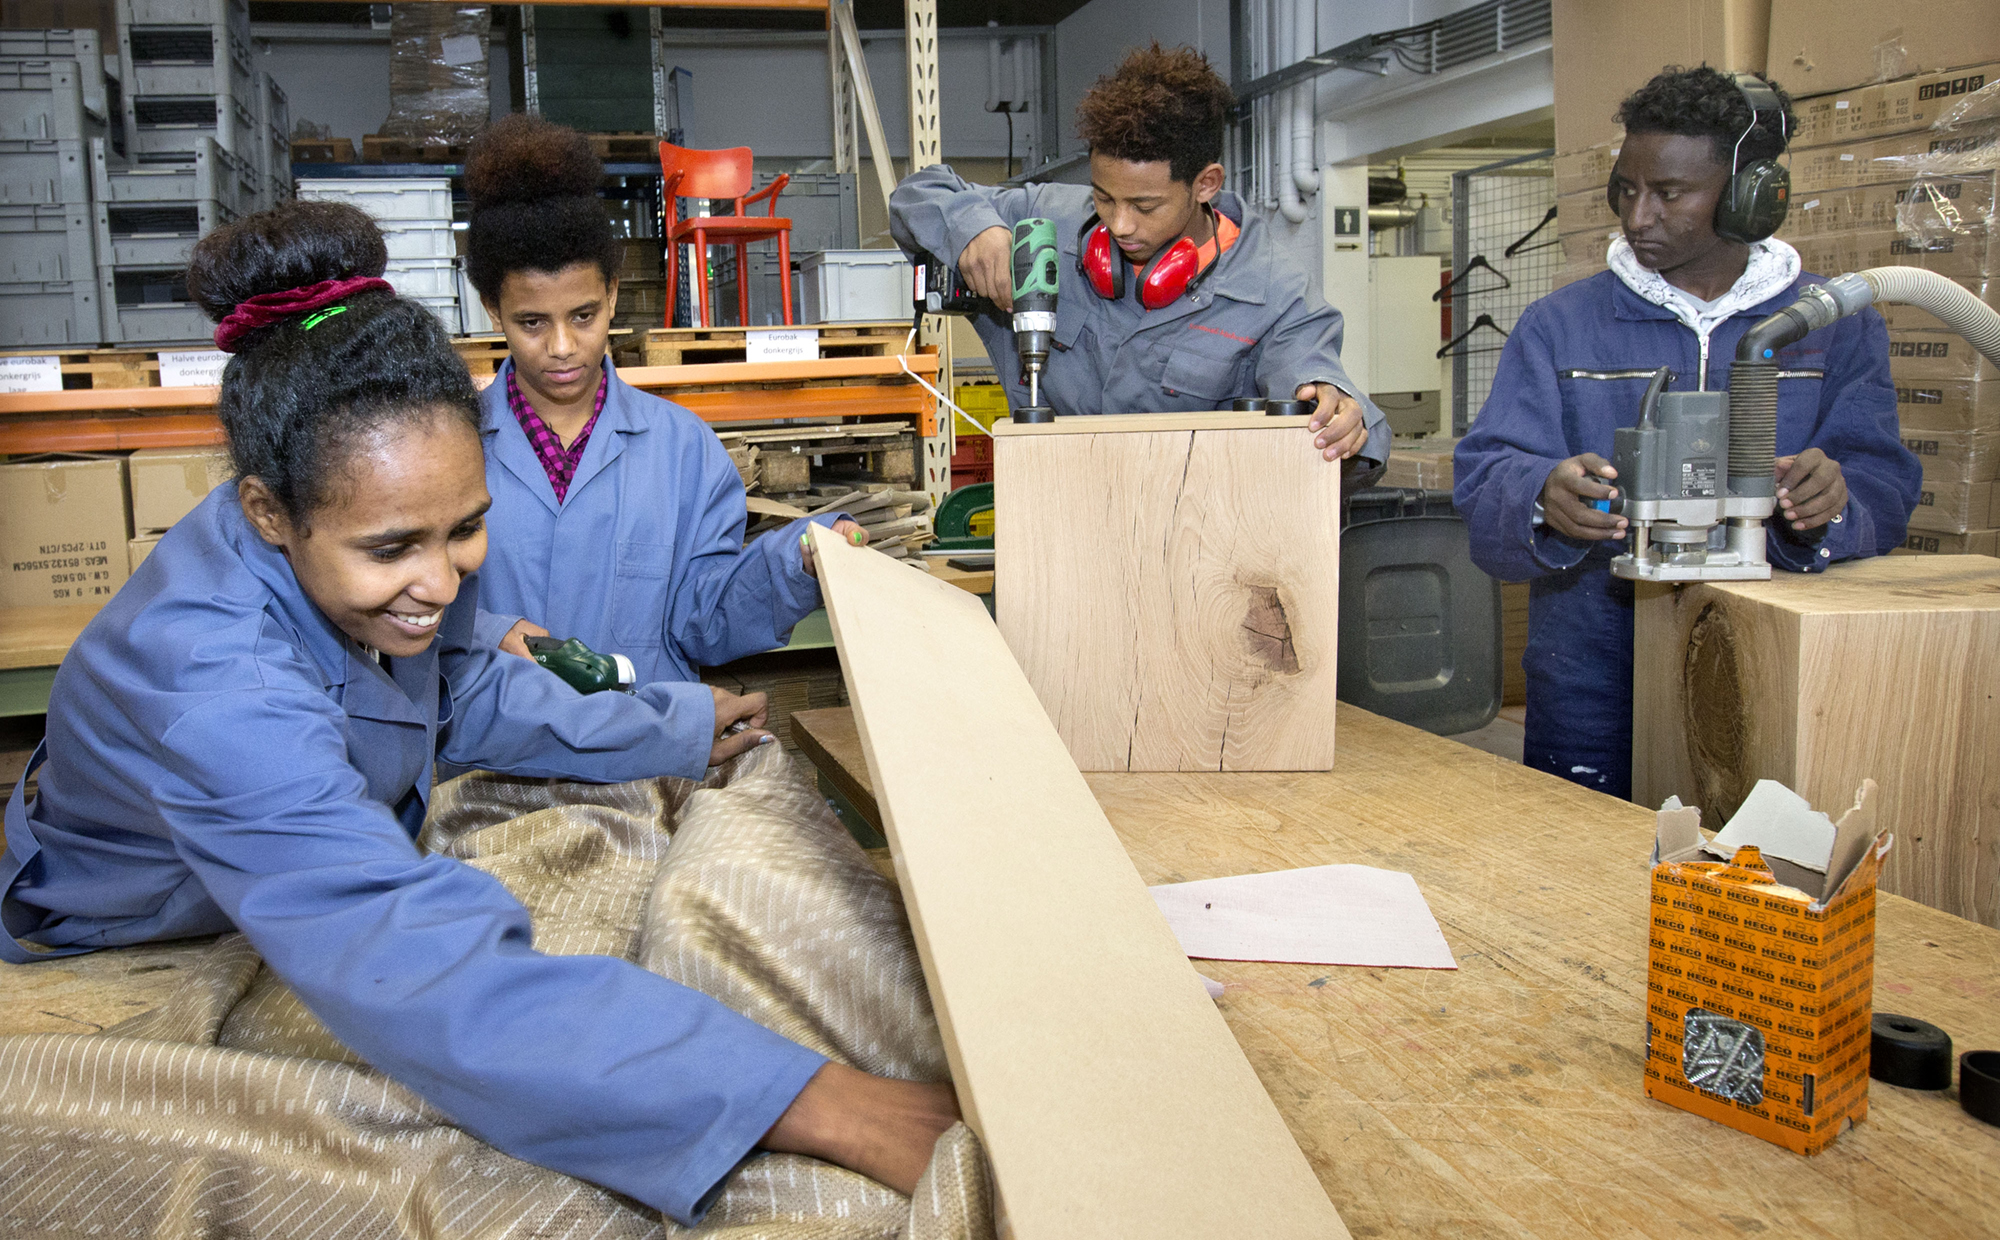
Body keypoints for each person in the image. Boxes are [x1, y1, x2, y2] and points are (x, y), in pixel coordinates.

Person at [0, 201, 957, 1224]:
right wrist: (820, 1100)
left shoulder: (334, 512)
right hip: (129, 932)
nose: (440, 582)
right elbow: (416, 967)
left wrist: (670, 726)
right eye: (392, 549)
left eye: (465, 530)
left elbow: (461, 686)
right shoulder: (210, 688)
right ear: (267, 513)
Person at [1452, 66, 1920, 800]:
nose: (1639, 217)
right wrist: (1542, 495)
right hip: (1589, 683)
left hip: (1772, 680)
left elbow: (1884, 482)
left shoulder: (1834, 325)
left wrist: (1835, 501)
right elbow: (1485, 473)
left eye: (1670, 194)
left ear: (1749, 197)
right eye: (1626, 190)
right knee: (1587, 881)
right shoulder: (1560, 327)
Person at [460, 115, 863, 680]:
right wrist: (486, 632)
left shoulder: (682, 450)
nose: (562, 346)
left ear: (613, 295)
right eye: (531, 322)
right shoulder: (452, 447)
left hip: (648, 744)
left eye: (584, 315)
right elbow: (409, 601)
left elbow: (706, 619)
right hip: (497, 750)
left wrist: (794, 563)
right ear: (491, 310)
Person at [890, 42, 1389, 477]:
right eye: (1104, 197)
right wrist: (976, 230)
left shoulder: (1272, 290)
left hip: (1193, 549)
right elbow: (918, 194)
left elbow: (1314, 374)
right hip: (1052, 530)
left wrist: (1337, 406)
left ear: (1205, 184)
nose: (1119, 225)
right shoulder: (1040, 225)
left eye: (1144, 205)